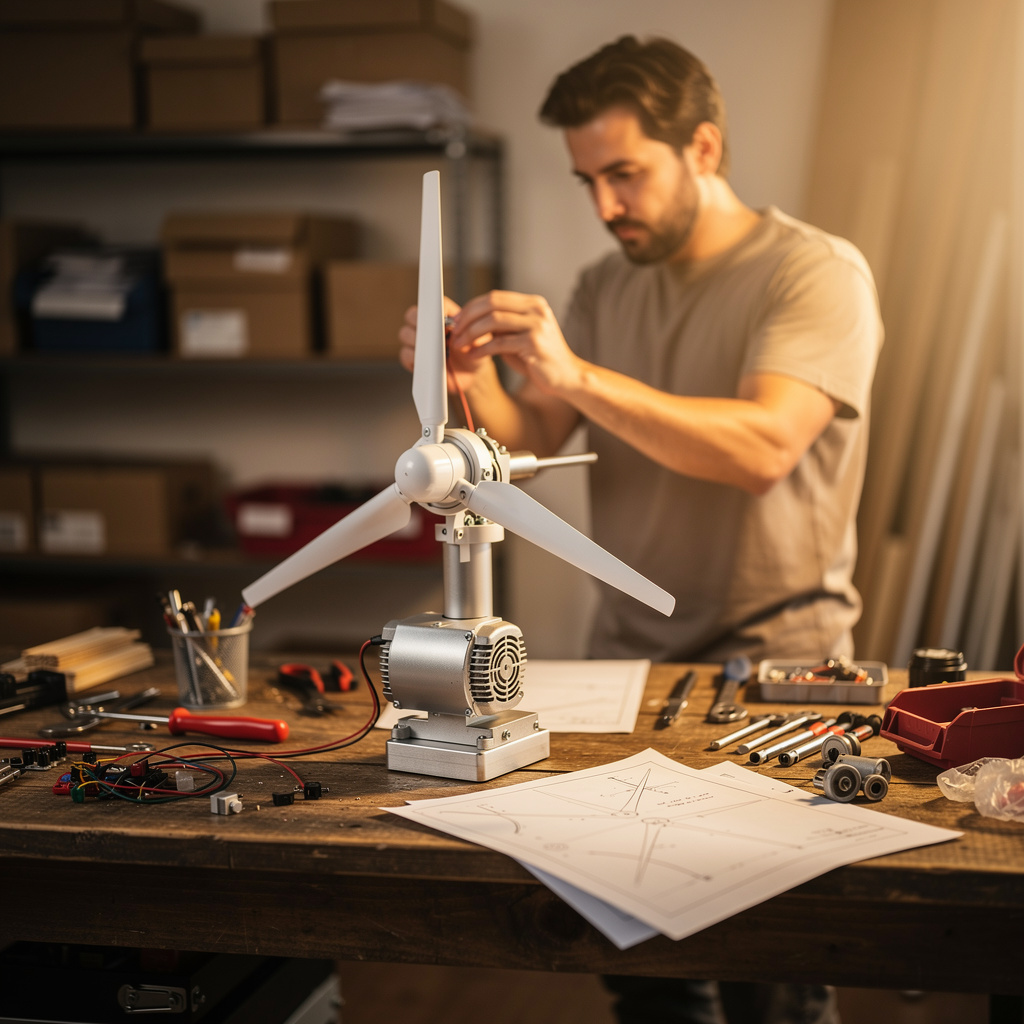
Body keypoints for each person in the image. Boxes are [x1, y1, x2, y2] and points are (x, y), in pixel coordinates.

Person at [400, 35, 882, 1024]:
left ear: (703, 148)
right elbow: (534, 436)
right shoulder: (604, 285)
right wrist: (462, 372)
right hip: (621, 663)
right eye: (587, 180)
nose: (606, 206)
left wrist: (573, 373)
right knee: (641, 966)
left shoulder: (814, 272)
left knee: (770, 976)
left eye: (626, 173)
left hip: (772, 662)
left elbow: (760, 448)